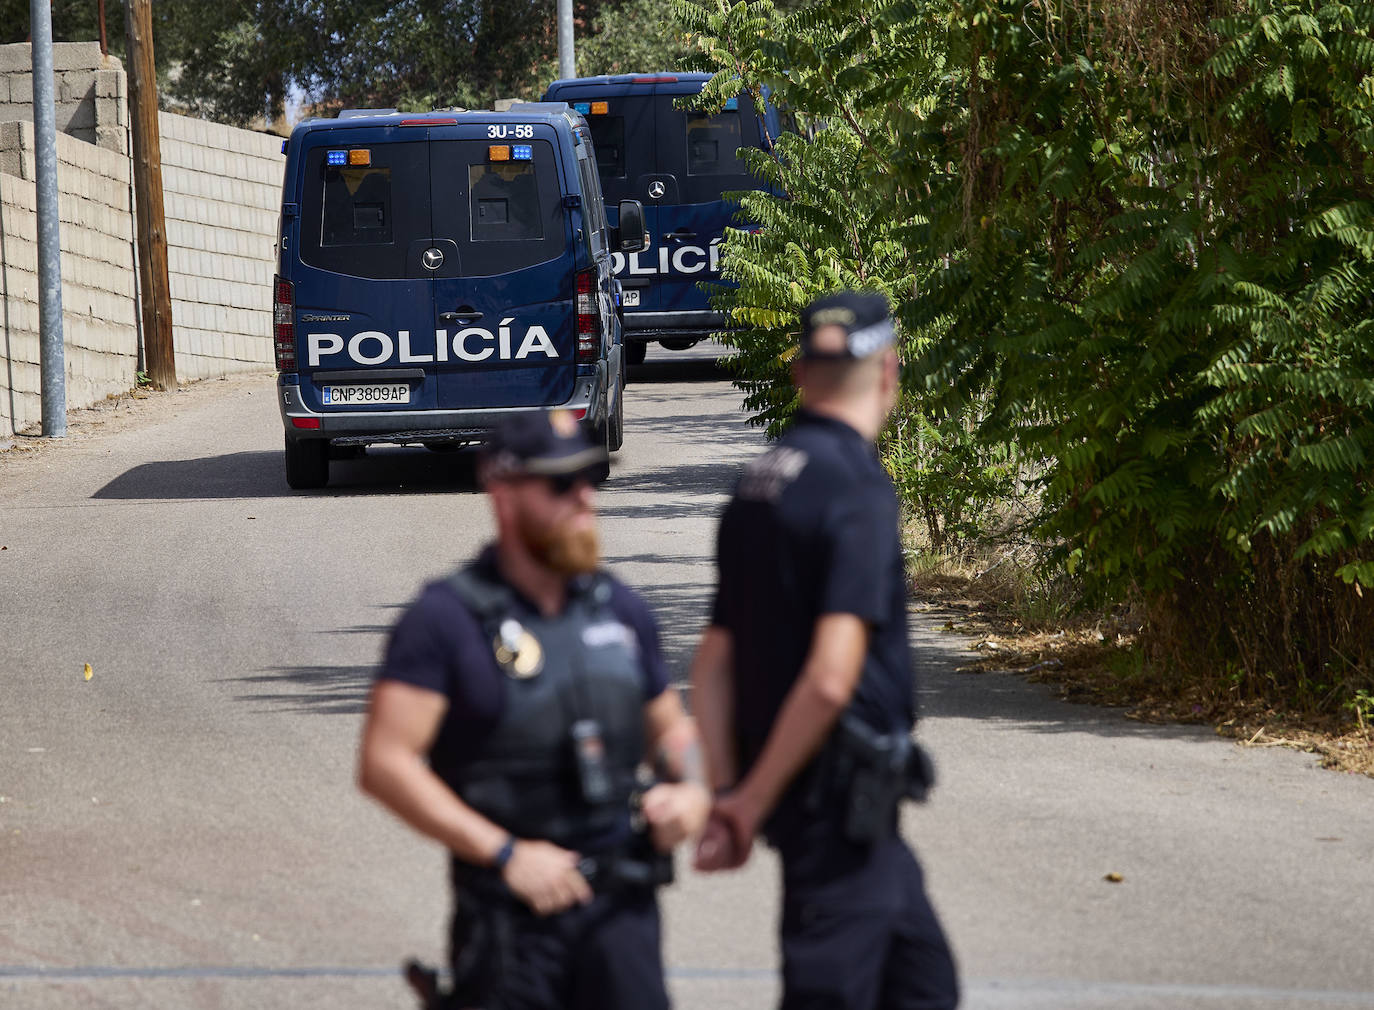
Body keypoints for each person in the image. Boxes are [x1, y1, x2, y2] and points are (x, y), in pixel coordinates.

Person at [358, 409, 710, 1010]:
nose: (584, 497)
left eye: (591, 477)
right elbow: (385, 762)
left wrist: (694, 790)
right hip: (511, 928)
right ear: (502, 493)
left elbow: (672, 733)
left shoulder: (620, 610)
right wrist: (506, 854)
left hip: (622, 919)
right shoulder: (445, 621)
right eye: (560, 483)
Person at [689, 291, 960, 1009]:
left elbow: (714, 659)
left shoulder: (758, 484)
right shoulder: (857, 491)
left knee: (924, 984)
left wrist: (725, 788)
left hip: (855, 819)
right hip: (834, 806)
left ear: (799, 375)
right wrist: (747, 802)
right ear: (890, 370)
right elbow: (832, 678)